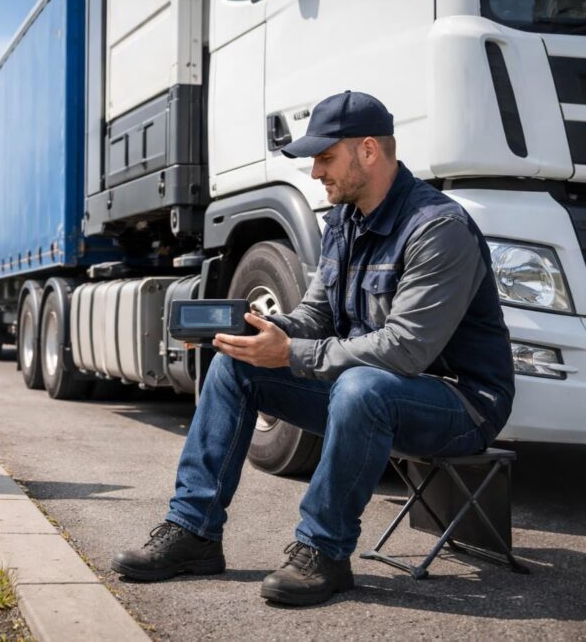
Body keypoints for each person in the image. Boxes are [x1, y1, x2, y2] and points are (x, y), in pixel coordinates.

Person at [111, 91, 515, 606]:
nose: (315, 172)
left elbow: (407, 350)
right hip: (366, 391)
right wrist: (266, 331)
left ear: (368, 151)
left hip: (462, 404)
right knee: (238, 367)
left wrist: (293, 354)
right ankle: (194, 532)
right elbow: (316, 317)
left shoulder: (438, 229)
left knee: (362, 387)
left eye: (325, 157)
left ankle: (323, 552)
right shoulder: (343, 222)